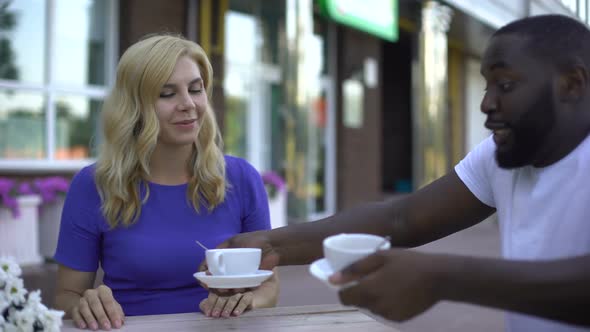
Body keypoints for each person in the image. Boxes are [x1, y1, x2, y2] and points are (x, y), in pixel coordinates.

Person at [219, 14, 590, 332]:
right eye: (486, 85)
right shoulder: (500, 156)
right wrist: (273, 245)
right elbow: (404, 218)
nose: (486, 104)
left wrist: (443, 277)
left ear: (572, 84)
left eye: (505, 86)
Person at [53, 34, 279, 330]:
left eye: (196, 89)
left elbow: (270, 284)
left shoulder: (242, 179)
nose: (188, 104)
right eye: (167, 93)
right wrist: (86, 305)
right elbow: (66, 295)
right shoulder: (93, 185)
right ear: (134, 107)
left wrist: (250, 301)